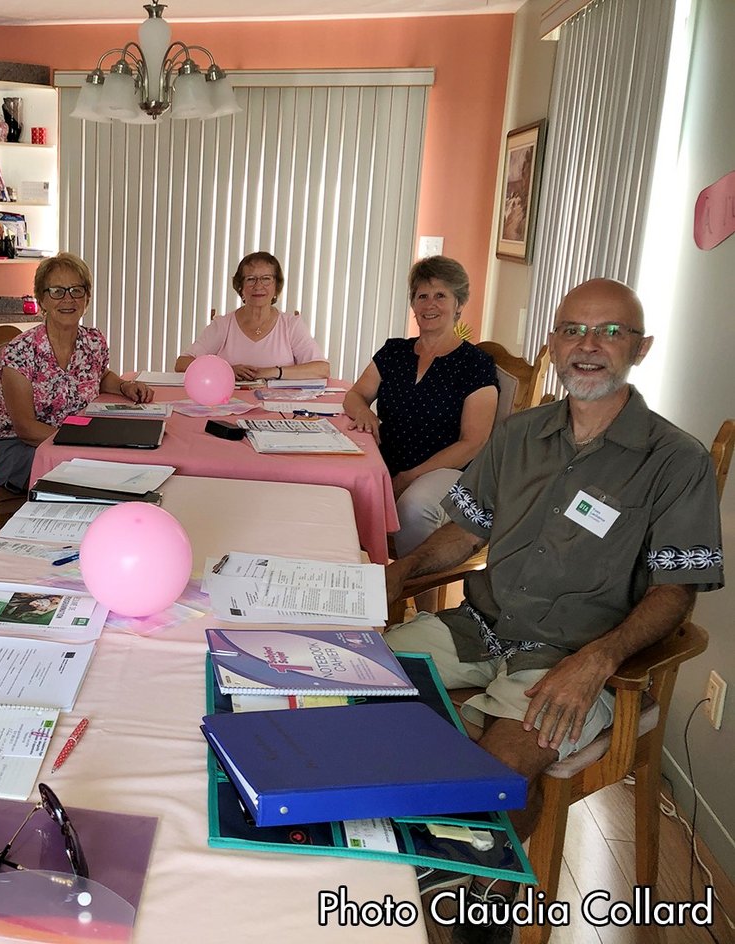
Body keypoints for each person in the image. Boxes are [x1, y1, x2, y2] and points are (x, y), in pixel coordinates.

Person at [385, 279, 724, 943]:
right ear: (553, 344)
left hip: (570, 657)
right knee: (354, 684)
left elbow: (673, 593)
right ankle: (460, 865)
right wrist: (396, 571)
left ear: (641, 347)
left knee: (496, 773)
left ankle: (475, 912)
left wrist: (595, 661)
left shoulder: (673, 461)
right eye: (572, 330)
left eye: (610, 332)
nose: (588, 346)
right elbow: (466, 530)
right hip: (476, 628)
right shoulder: (518, 435)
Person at [343, 255, 499, 557]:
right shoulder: (394, 351)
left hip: (447, 470)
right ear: (413, 304)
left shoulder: (476, 365)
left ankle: (413, 594)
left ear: (459, 303)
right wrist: (364, 413)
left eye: (440, 295)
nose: (430, 304)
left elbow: (473, 442)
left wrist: (410, 476)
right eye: (422, 296)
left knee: (413, 508)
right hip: (385, 459)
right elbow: (355, 395)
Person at [0, 252, 154, 492]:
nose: (68, 299)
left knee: (119, 465)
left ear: (86, 298)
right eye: (57, 291)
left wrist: (123, 386)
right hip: (18, 447)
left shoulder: (93, 341)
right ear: (42, 299)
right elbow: (25, 428)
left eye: (76, 290)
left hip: (74, 440)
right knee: (91, 478)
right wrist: (81, 444)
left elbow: (100, 374)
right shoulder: (20, 351)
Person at [173, 251, 330, 382]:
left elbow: (322, 369)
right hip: (228, 405)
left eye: (266, 279)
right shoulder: (223, 324)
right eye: (251, 279)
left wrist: (271, 372)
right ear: (241, 287)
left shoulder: (291, 325)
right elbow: (182, 363)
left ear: (277, 286)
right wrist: (225, 370)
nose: (258, 286)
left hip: (278, 409)